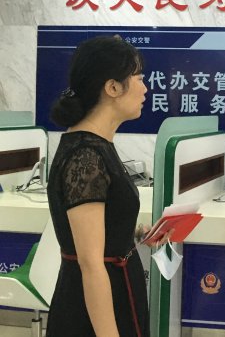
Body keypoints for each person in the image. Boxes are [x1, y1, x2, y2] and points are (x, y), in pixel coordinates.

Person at [46, 35, 153, 337]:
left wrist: (132, 232)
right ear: (113, 88)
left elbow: (99, 228)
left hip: (116, 286)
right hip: (94, 306)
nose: (145, 87)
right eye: (139, 77)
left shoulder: (97, 146)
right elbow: (91, 264)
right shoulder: (86, 155)